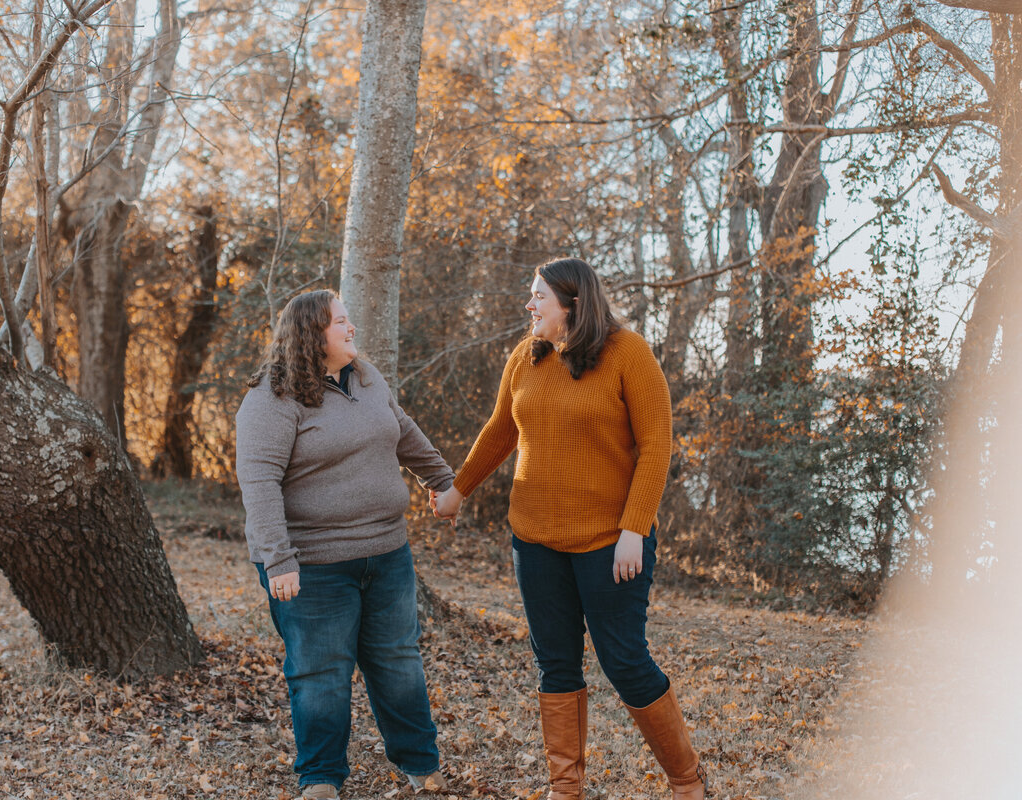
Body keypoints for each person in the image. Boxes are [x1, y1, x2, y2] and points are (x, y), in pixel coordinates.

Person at [431, 258, 707, 800]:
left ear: (572, 304)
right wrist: (457, 490)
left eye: (538, 297)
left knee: (623, 659)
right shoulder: (526, 355)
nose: (529, 305)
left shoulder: (629, 353)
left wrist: (635, 528)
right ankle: (565, 789)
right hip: (535, 541)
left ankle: (688, 782)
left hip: (611, 542)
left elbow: (656, 446)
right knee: (555, 663)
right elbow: (499, 430)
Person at [235, 289, 452, 800]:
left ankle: (421, 765)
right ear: (313, 334)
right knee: (320, 673)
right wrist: (279, 559)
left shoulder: (367, 377)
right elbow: (259, 482)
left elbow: (403, 432)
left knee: (398, 660)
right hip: (311, 565)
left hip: (386, 551)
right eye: (340, 322)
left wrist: (442, 481)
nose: (351, 328)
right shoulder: (272, 397)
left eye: (349, 319)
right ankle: (321, 778)